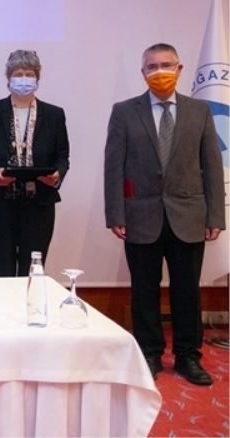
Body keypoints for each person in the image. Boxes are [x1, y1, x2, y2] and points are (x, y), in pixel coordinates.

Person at [104, 43, 225, 386]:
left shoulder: (200, 111)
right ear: (143, 72)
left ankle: (188, 356)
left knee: (187, 290)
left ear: (180, 68)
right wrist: (115, 214)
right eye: (152, 66)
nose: (160, 72)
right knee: (144, 291)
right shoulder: (124, 112)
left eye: (166, 65)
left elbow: (211, 165)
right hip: (140, 217)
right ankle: (149, 354)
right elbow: (113, 166)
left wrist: (215, 215)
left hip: (189, 215)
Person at [0, 50, 70, 277]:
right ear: (8, 78)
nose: (24, 79)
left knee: (31, 272)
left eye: (29, 74)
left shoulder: (54, 115)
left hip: (38, 206)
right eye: (18, 74)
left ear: (37, 78)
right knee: (1, 273)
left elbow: (62, 157)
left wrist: (57, 175)